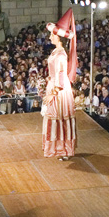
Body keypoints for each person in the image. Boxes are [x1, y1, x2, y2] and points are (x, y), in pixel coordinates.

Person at [42, 9, 78, 161]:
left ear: (59, 38)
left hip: (59, 91)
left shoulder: (61, 55)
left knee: (60, 118)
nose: (50, 36)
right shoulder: (57, 52)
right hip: (55, 86)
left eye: (52, 34)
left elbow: (61, 78)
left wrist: (53, 93)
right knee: (56, 118)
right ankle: (59, 148)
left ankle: (62, 149)